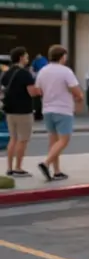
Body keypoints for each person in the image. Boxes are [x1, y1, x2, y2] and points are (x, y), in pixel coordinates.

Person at [31, 45, 83, 182]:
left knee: (53, 141)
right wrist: (79, 98)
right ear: (62, 56)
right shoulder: (66, 71)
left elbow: (37, 91)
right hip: (63, 109)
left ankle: (57, 171)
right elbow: (76, 90)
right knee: (64, 140)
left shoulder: (42, 71)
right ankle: (46, 163)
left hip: (47, 109)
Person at [1, 47, 36, 177]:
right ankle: (18, 168)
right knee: (23, 140)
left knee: (13, 139)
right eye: (26, 56)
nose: (27, 58)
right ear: (21, 57)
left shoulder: (7, 73)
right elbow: (32, 92)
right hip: (23, 110)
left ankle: (9, 167)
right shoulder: (25, 73)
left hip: (10, 110)